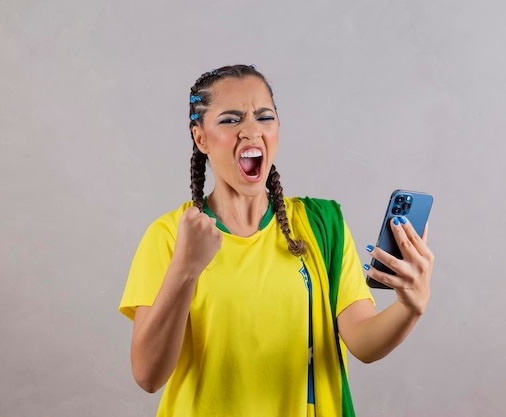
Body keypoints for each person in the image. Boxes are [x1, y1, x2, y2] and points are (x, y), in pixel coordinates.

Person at [119, 64, 434, 417]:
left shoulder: (320, 225)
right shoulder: (167, 236)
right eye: (230, 120)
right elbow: (147, 375)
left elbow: (362, 341)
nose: (251, 132)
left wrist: (411, 306)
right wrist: (185, 269)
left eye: (264, 117)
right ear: (200, 137)